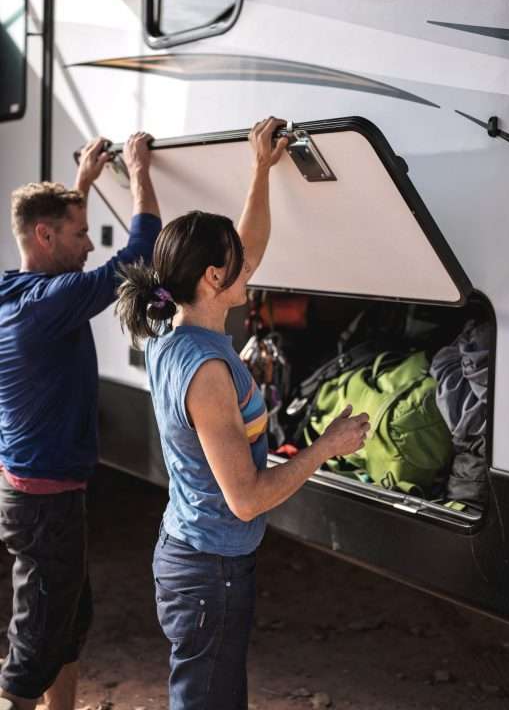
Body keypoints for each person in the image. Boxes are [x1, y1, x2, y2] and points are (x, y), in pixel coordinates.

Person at [116, 117, 370, 710]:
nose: (249, 268)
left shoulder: (169, 327)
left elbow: (247, 245)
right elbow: (247, 499)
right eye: (237, 264)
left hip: (196, 554)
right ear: (212, 278)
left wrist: (261, 170)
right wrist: (325, 447)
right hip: (208, 569)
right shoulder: (206, 371)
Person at [0, 133, 161, 710]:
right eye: (79, 233)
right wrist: (140, 173)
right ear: (44, 236)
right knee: (37, 636)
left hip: (43, 494)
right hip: (44, 503)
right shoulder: (48, 304)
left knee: (67, 620)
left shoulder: (16, 291)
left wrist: (86, 185)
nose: (90, 244)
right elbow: (138, 257)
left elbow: (68, 246)